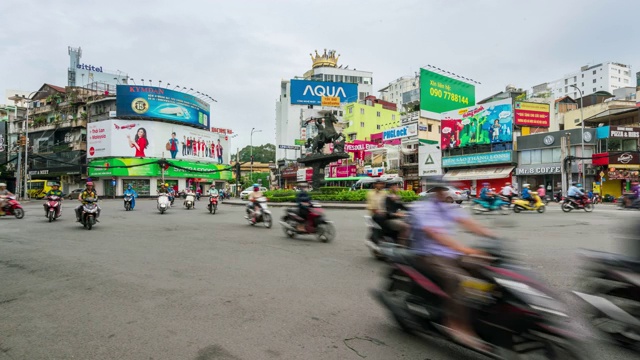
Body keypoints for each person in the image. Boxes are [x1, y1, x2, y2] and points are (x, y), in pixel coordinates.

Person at [409, 176, 495, 352]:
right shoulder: (422, 208)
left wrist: (490, 235)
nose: (442, 192)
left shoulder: (446, 207)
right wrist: (466, 250)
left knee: (485, 268)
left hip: (451, 254)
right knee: (457, 279)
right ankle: (456, 323)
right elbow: (435, 234)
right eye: (438, 190)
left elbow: (466, 222)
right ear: (432, 191)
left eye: (443, 189)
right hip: (429, 255)